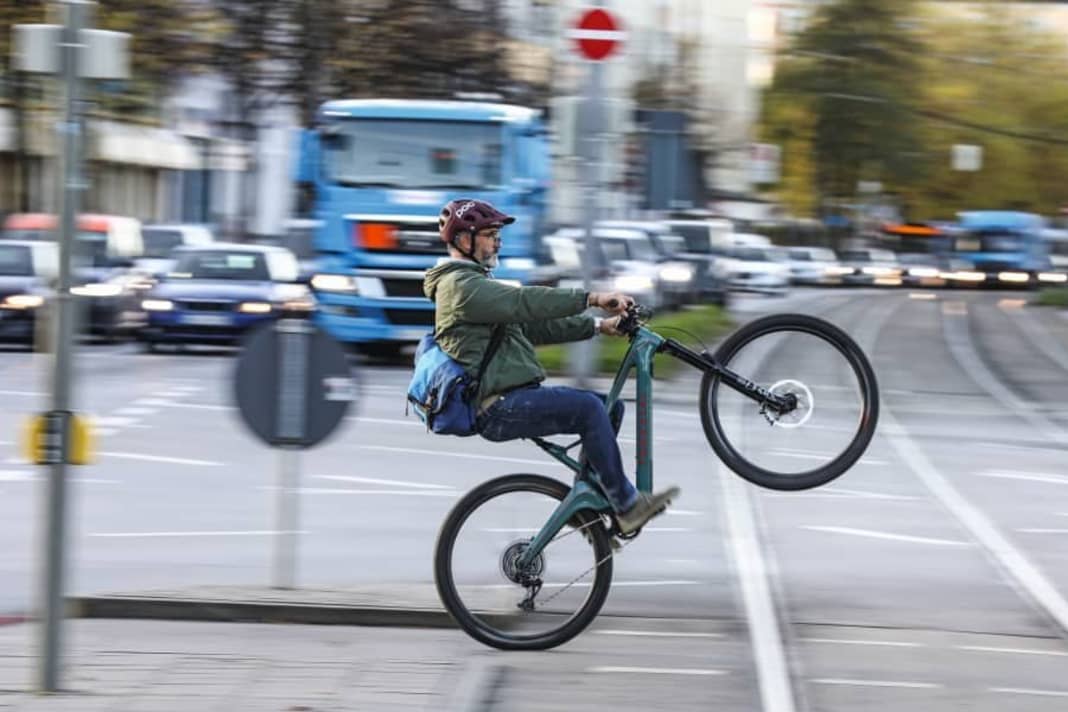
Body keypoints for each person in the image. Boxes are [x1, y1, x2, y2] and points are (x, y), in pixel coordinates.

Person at [423, 198, 679, 534]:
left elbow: (532, 328)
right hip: (495, 406)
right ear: (462, 240)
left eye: (497, 234)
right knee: (588, 409)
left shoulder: (476, 284)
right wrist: (591, 297)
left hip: (512, 396)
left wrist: (598, 326)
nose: (497, 241)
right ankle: (627, 505)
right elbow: (525, 303)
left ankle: (587, 502)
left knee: (609, 409)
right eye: (489, 234)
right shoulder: (461, 287)